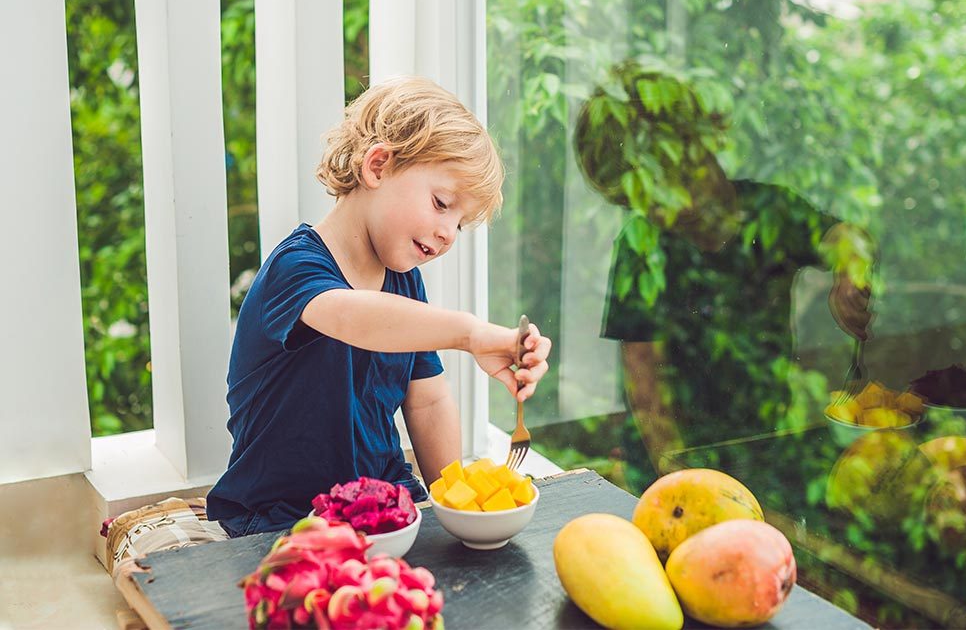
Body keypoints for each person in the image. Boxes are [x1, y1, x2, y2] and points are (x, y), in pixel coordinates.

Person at [207, 76, 551, 537]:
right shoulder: (295, 269)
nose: (449, 232)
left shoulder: (406, 284)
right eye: (441, 203)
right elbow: (353, 317)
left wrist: (456, 504)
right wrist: (469, 334)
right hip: (280, 516)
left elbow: (427, 400)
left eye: (460, 223)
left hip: (381, 506)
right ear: (377, 166)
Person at [574, 60, 873, 490]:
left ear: (697, 151)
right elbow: (643, 375)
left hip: (764, 443)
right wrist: (673, 468)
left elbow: (842, 235)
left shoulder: (771, 210)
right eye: (638, 201)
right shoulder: (643, 243)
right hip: (675, 458)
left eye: (657, 192)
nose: (654, 210)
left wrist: (851, 275)